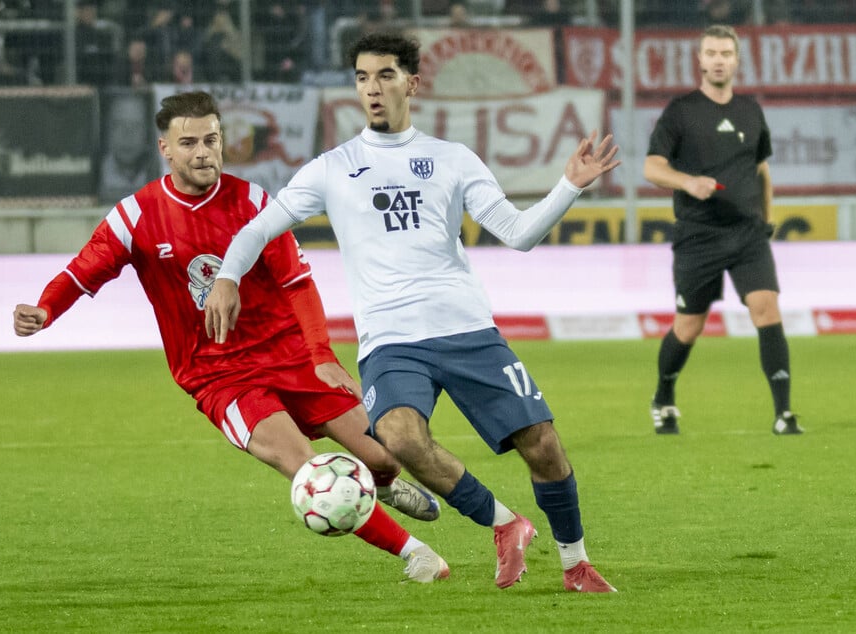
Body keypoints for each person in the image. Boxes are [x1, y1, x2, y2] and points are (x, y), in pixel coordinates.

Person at [205, 32, 620, 593]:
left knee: (542, 445)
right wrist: (227, 275)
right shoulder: (333, 167)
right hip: (391, 340)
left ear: (412, 83)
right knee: (399, 438)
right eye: (361, 78)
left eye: (384, 76)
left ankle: (576, 563)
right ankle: (505, 524)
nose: (371, 89)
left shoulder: (451, 159)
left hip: (466, 327)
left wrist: (569, 186)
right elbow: (257, 228)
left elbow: (518, 234)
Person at [13, 90, 449, 584]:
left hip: (290, 355)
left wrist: (321, 354)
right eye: (190, 142)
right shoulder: (136, 216)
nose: (203, 152)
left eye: (212, 140)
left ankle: (384, 484)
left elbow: (298, 284)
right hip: (220, 376)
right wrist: (45, 308)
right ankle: (418, 555)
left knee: (384, 455)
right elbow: (82, 271)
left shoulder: (256, 204)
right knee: (310, 472)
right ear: (166, 149)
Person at [642, 24, 802, 436]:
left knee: (766, 309)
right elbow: (652, 167)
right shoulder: (681, 111)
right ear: (699, 60)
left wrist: (766, 217)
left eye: (725, 54)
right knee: (688, 327)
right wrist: (688, 182)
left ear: (736, 60)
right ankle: (663, 397)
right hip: (699, 236)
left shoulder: (751, 110)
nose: (718, 60)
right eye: (711, 53)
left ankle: (784, 415)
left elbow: (762, 168)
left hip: (748, 235)